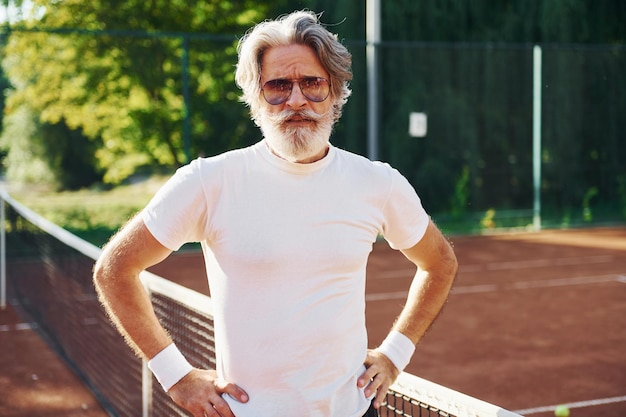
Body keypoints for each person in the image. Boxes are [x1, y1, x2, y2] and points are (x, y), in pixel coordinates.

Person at [93, 10, 458, 417]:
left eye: (312, 83)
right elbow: (115, 269)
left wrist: (395, 353)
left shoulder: (378, 183)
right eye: (278, 86)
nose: (296, 100)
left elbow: (439, 263)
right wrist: (175, 376)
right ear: (256, 95)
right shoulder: (208, 181)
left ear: (335, 91)